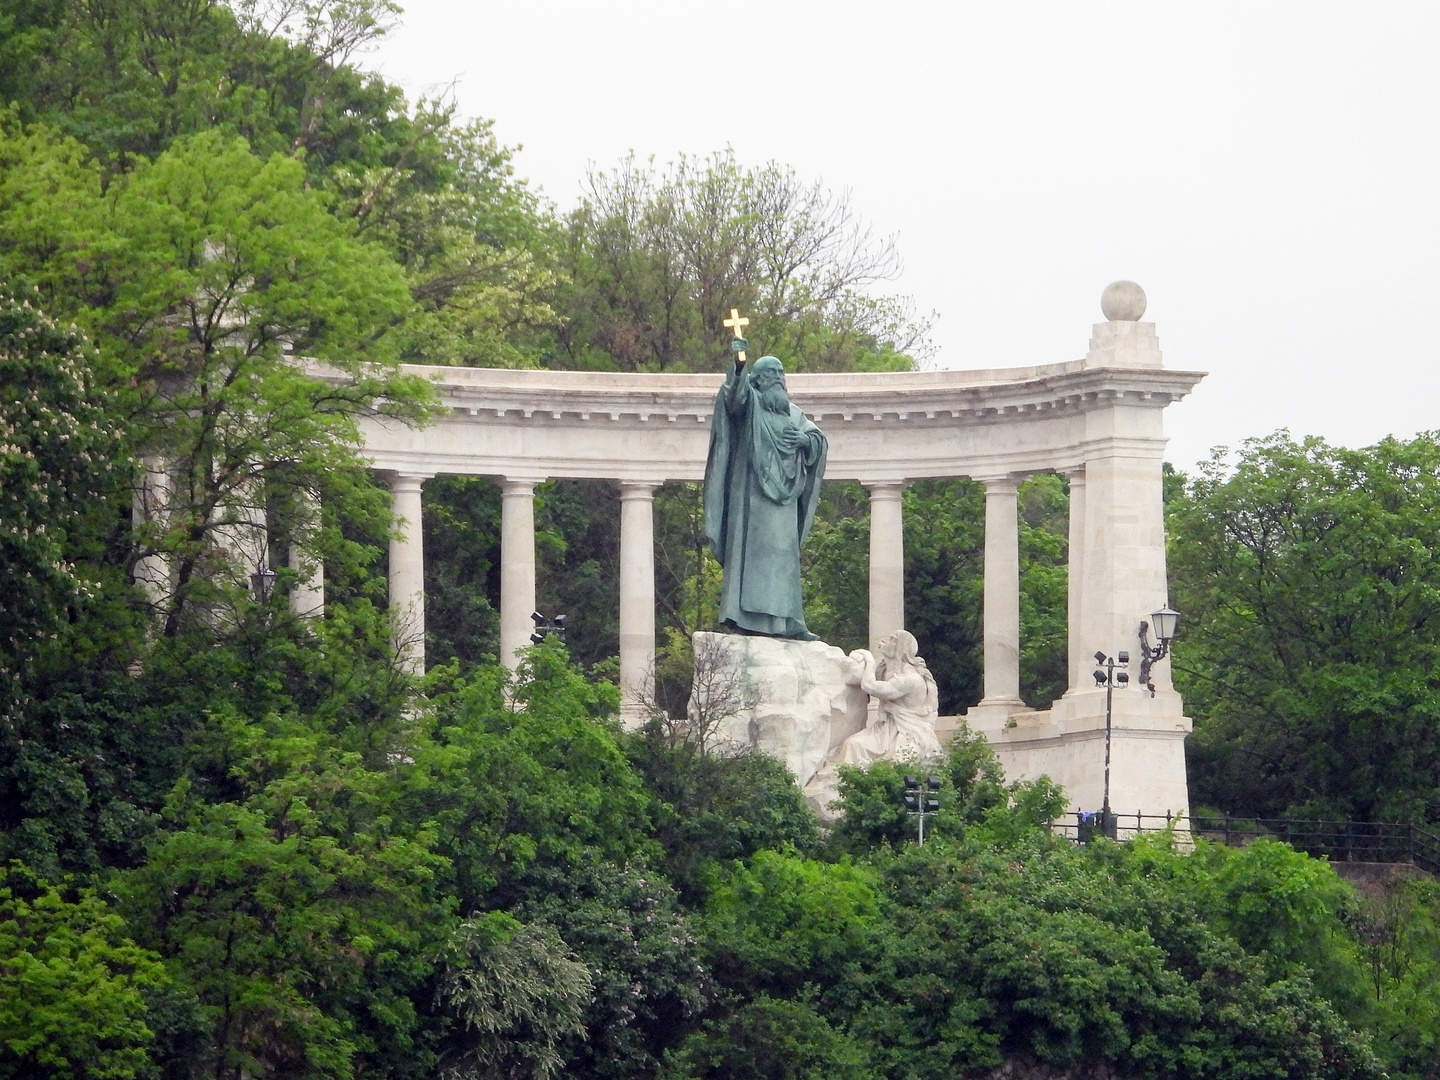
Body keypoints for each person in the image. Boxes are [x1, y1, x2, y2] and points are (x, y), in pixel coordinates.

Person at [703, 340, 827, 638]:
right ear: (758, 380)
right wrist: (739, 363)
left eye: (781, 373)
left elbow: (818, 441)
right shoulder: (751, 406)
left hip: (784, 506)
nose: (778, 378)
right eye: (772, 373)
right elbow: (733, 398)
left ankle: (788, 623)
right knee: (751, 555)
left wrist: (805, 442)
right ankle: (744, 620)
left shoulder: (795, 415)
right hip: (752, 499)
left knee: (784, 557)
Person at [836, 630, 942, 766]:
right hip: (887, 729)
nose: (886, 641)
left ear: (901, 648)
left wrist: (868, 658)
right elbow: (861, 677)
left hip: (908, 732)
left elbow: (870, 686)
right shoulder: (885, 671)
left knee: (897, 762)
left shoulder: (910, 678)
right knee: (853, 744)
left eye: (892, 639)